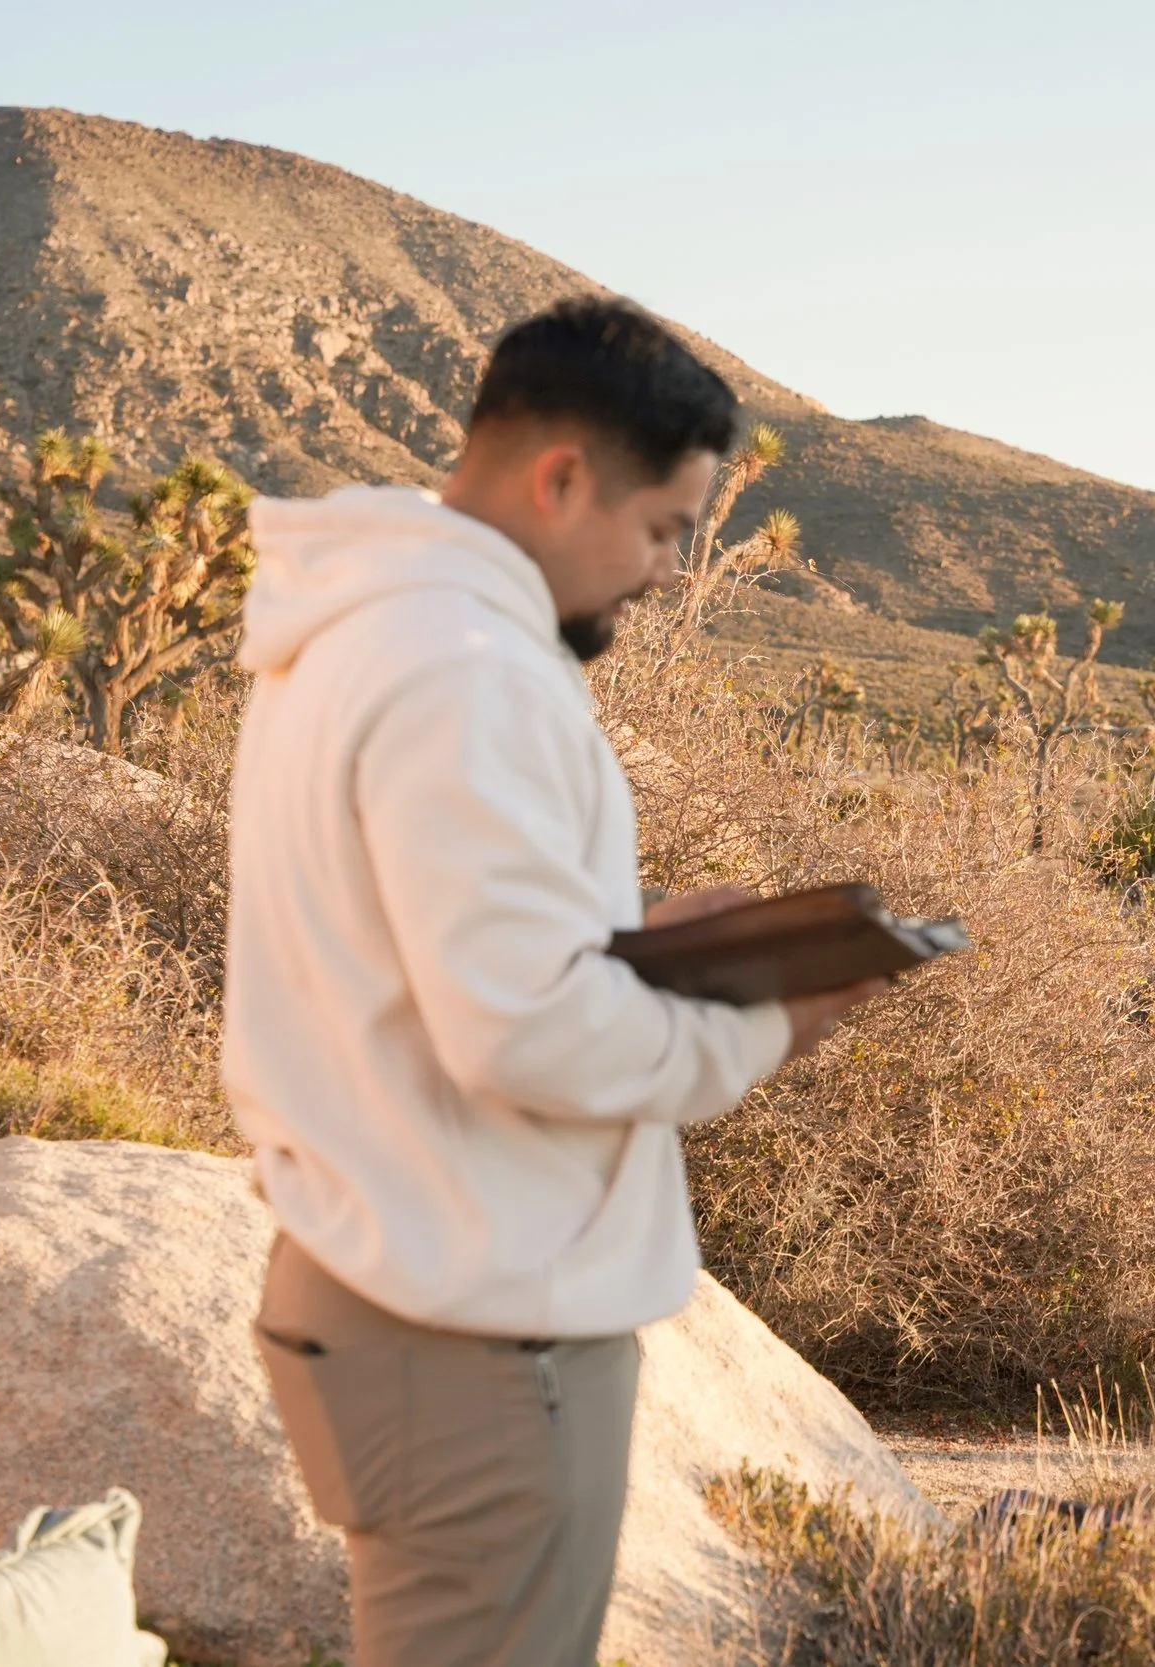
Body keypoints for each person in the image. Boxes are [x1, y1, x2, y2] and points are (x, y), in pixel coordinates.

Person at [222, 296, 884, 1665]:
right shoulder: (470, 672)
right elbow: (522, 1029)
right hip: (476, 1337)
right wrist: (763, 1018)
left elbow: (430, 954)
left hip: (400, 1289)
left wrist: (630, 934)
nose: (660, 573)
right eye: (659, 531)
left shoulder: (360, 632)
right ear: (562, 477)